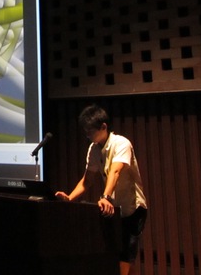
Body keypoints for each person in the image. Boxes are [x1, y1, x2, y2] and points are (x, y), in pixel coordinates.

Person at [55, 104, 148, 275]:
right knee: (117, 256)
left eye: (90, 131)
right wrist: (69, 198)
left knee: (125, 256)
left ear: (103, 126)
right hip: (114, 209)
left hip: (133, 209)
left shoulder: (121, 143)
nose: (87, 135)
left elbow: (115, 171)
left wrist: (105, 197)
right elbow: (87, 181)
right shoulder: (94, 148)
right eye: (85, 131)